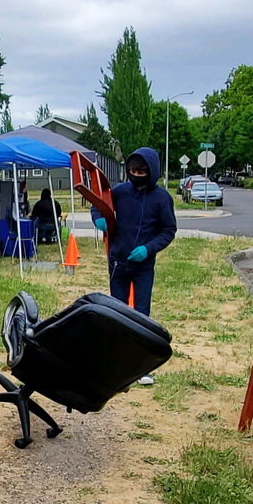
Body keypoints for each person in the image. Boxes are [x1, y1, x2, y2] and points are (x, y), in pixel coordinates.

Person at [91, 147, 177, 385]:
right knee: (117, 312)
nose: (136, 174)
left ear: (151, 171)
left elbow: (168, 231)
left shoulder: (162, 199)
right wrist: (99, 217)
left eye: (141, 171)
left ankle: (141, 367)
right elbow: (97, 203)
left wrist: (148, 249)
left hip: (143, 266)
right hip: (118, 262)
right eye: (132, 170)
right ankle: (117, 363)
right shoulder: (119, 192)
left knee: (141, 314)